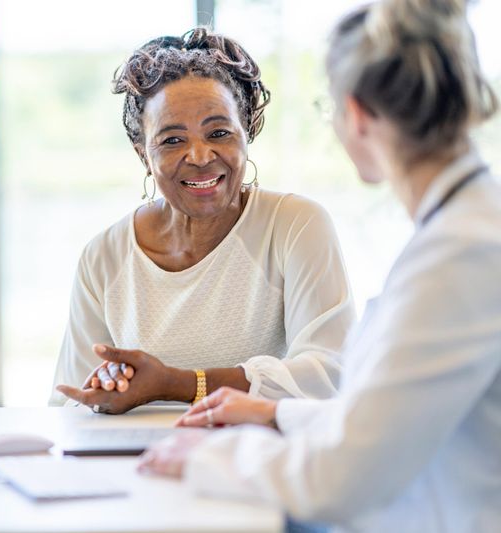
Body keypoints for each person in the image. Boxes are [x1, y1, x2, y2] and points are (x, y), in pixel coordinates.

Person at [137, 1, 501, 531]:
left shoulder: (462, 253)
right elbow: (390, 419)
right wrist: (278, 413)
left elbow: (338, 481)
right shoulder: (467, 228)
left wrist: (206, 458)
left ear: (354, 114)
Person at [50, 28, 356, 413]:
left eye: (219, 132)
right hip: (140, 464)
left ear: (247, 133)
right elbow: (69, 402)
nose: (199, 156)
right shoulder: (104, 256)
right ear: (143, 154)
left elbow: (330, 375)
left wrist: (176, 384)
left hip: (259, 464)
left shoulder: (296, 225)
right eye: (172, 140)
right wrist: (103, 389)